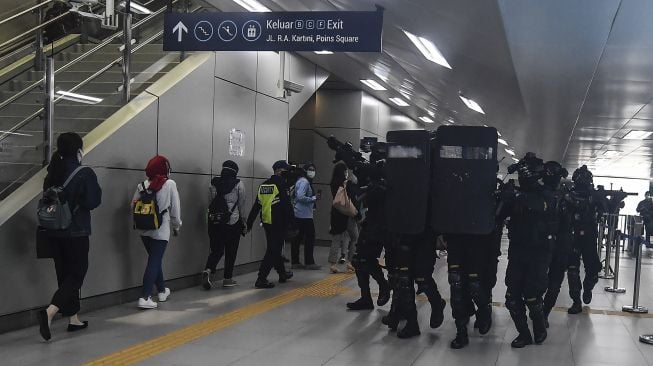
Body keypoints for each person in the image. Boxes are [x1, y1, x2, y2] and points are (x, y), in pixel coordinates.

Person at [37, 132, 102, 341]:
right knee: (77, 274)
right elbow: (93, 201)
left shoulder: (53, 172)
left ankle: (73, 318)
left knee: (64, 275)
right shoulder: (84, 172)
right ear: (78, 150)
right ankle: (50, 312)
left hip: (54, 232)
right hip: (76, 232)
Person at [500, 153, 557, 348]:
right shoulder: (514, 195)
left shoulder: (546, 194)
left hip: (539, 252)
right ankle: (524, 334)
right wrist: (502, 198)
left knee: (532, 296)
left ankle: (539, 327)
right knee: (512, 298)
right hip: (517, 250)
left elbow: (542, 208)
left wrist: (518, 198)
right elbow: (497, 216)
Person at [133, 155, 181, 310]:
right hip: (161, 229)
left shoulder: (143, 185)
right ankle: (144, 296)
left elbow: (132, 204)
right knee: (154, 260)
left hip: (143, 229)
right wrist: (177, 225)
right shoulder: (169, 184)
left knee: (155, 259)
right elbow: (175, 209)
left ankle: (161, 291)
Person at [247, 160, 294, 289]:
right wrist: (293, 223)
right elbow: (286, 205)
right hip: (279, 223)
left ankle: (282, 273)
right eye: (286, 170)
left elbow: (257, 205)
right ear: (279, 170)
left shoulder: (264, 185)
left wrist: (249, 223)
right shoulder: (281, 185)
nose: (288, 173)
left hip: (267, 222)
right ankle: (261, 278)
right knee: (273, 250)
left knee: (275, 248)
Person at [202, 160, 247, 290]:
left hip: (215, 221)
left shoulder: (213, 183)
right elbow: (241, 205)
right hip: (233, 222)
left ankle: (209, 270)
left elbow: (210, 203)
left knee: (216, 250)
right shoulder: (239, 184)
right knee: (231, 251)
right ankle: (227, 279)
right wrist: (244, 221)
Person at [567, 165, 604, 314]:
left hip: (589, 235)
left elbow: (606, 208)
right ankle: (576, 301)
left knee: (593, 270)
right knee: (572, 270)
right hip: (574, 235)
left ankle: (587, 287)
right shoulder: (569, 195)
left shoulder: (594, 196)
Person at [541, 161, 572, 327]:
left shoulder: (539, 194)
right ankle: (542, 313)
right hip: (553, 245)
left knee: (546, 283)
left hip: (550, 245)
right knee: (552, 283)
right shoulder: (564, 196)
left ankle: (541, 313)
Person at [328, 162, 358, 273]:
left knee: (336, 239)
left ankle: (333, 264)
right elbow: (352, 199)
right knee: (355, 237)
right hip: (348, 214)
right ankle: (350, 262)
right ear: (344, 172)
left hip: (336, 214)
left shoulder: (333, 183)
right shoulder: (346, 183)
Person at [290, 164, 321, 270]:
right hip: (304, 215)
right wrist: (313, 198)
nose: (312, 172)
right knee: (310, 238)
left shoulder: (301, 180)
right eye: (310, 170)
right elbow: (300, 196)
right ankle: (309, 262)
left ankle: (295, 261)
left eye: (313, 170)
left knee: (297, 238)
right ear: (305, 170)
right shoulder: (304, 182)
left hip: (299, 213)